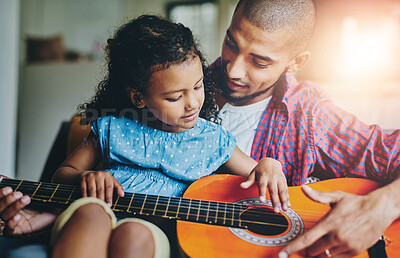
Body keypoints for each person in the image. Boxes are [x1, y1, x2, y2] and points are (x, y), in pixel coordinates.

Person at [1, 15, 289, 258]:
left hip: (153, 229)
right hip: (93, 210)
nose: (192, 103)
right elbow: (62, 175)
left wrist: (269, 164)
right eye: (175, 96)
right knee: (90, 216)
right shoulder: (113, 128)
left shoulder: (213, 140)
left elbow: (256, 171)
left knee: (134, 234)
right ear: (139, 97)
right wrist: (84, 177)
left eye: (199, 87)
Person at [209, 0, 400, 257]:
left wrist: (381, 207)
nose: (233, 70)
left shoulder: (311, 114)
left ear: (296, 62)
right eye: (232, 44)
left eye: (260, 62)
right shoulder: (180, 83)